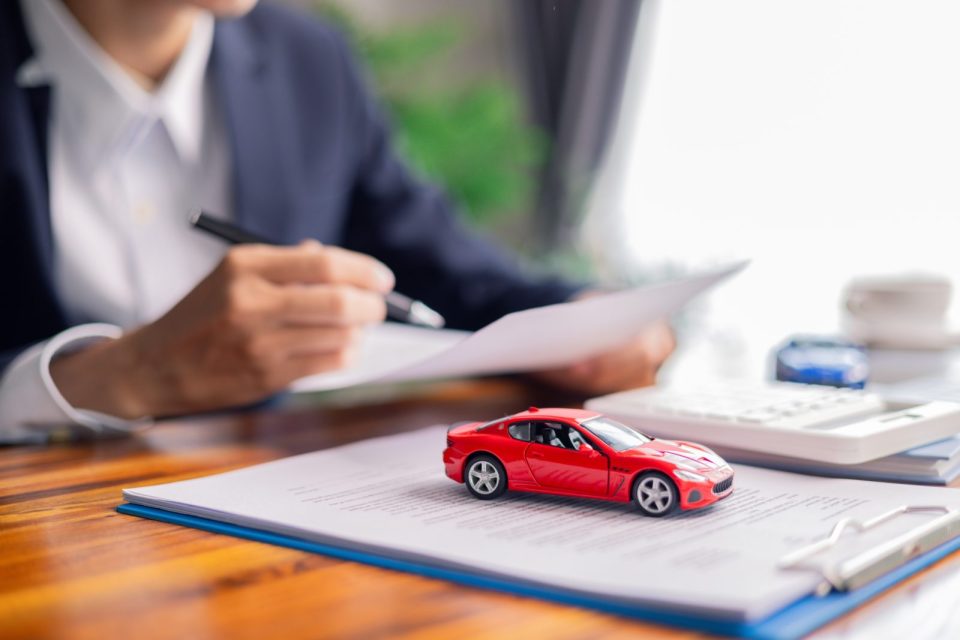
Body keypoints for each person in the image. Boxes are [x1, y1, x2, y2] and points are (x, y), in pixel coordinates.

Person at [0, 0, 674, 439]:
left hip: (252, 514)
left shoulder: (308, 60)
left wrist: (585, 319)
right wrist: (110, 376)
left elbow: (447, 271)